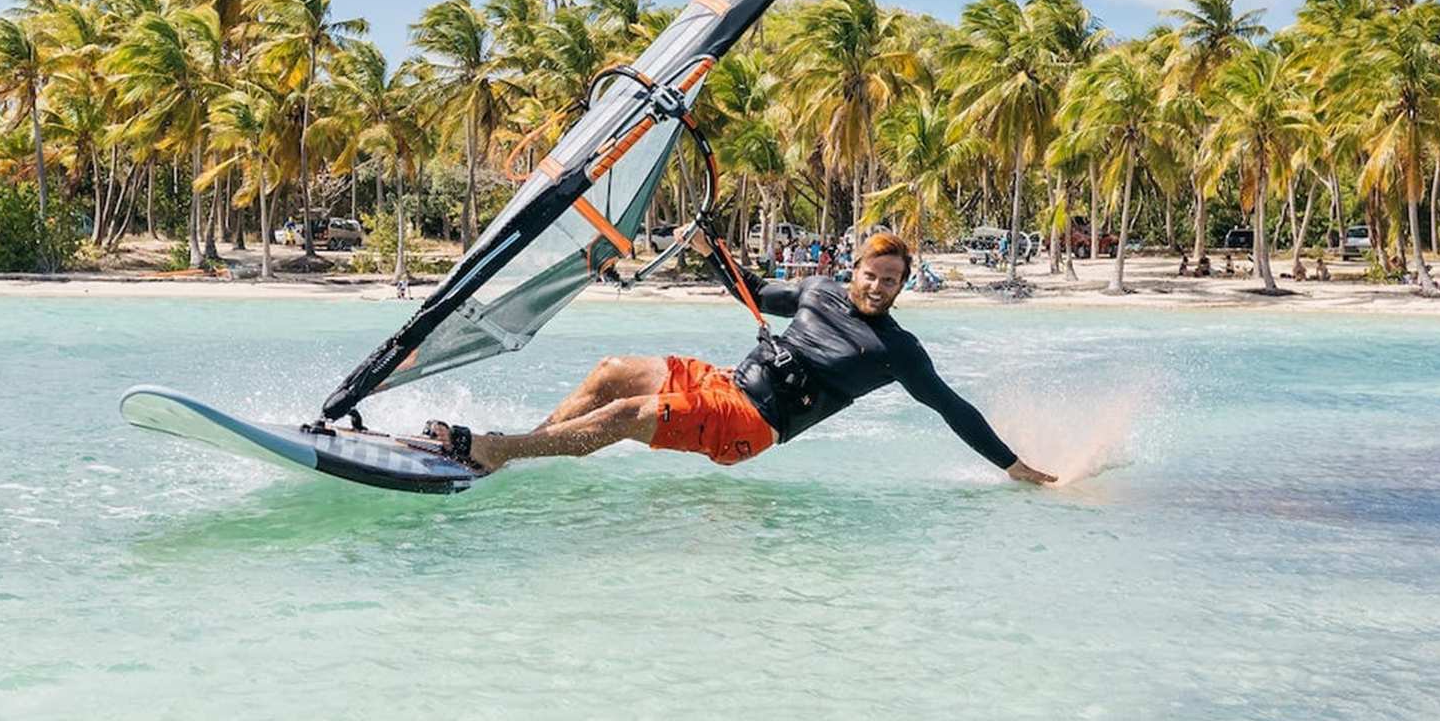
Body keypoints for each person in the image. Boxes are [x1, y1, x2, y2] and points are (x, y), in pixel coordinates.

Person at [422, 230, 1055, 484]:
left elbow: (952, 408)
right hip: (725, 382)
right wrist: (711, 250)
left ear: (901, 286)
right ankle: (515, 452)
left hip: (752, 423)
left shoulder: (898, 351)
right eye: (871, 274)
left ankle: (495, 449)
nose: (878, 286)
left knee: (627, 415)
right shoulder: (817, 290)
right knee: (612, 373)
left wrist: (1013, 465)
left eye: (891, 281)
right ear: (854, 270)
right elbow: (750, 289)